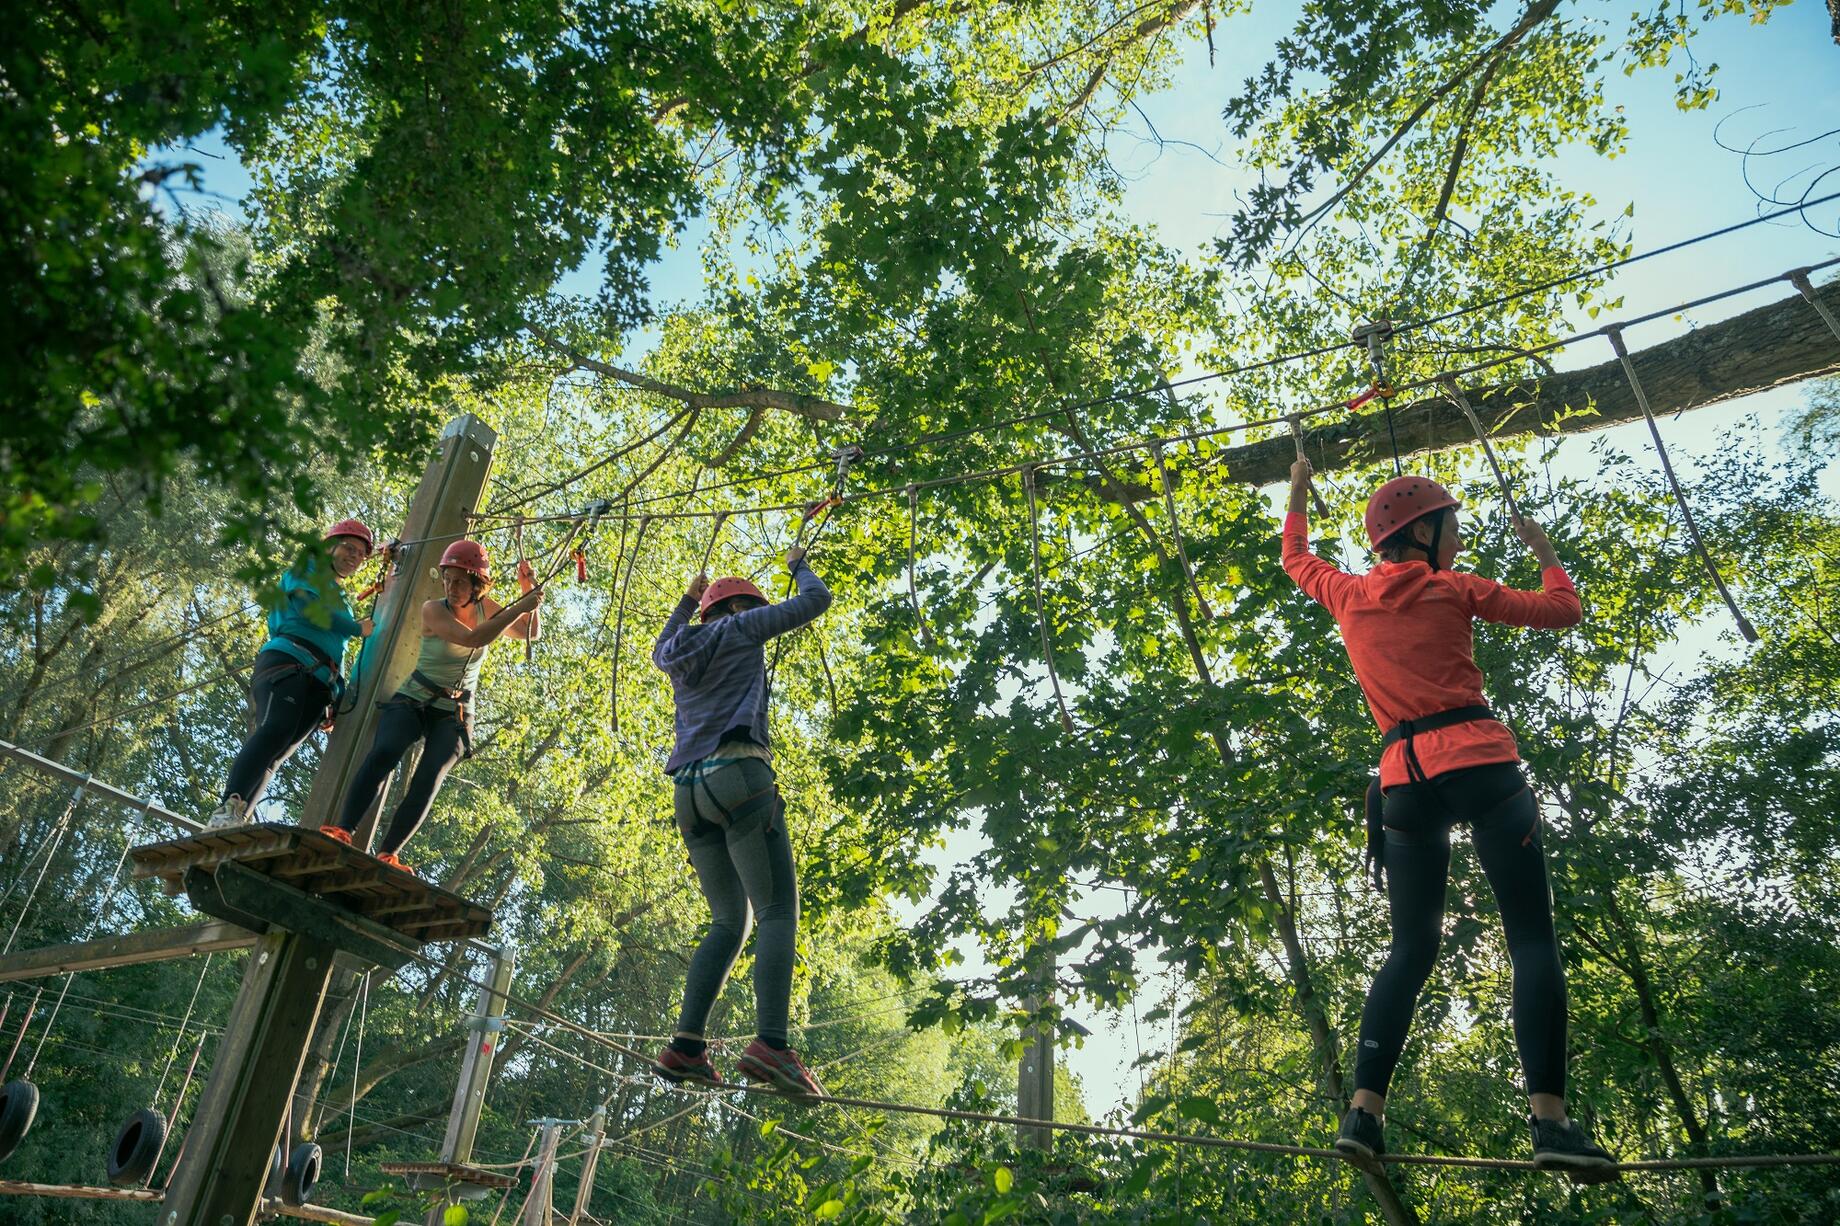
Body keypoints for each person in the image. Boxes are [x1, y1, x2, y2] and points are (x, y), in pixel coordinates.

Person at [1281, 460, 1616, 1175]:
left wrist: (1300, 486)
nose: (1458, 539)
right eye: (1452, 527)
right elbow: (1564, 610)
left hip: (1405, 784)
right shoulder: (1454, 589)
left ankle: (1363, 1115)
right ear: (1424, 531)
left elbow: (1295, 558)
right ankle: (1550, 1123)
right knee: (1530, 939)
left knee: (1410, 948)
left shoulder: (1346, 595)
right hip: (1481, 768)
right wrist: (1548, 557)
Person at [650, 546, 832, 1097]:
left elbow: (660, 648)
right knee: (777, 910)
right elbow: (815, 600)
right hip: (738, 778)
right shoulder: (742, 628)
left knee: (731, 921)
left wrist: (684, 600)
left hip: (689, 793)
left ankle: (686, 1047)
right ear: (741, 608)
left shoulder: (679, 647)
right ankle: (772, 1045)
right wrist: (799, 562)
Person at [320, 539, 542, 872]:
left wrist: (530, 595)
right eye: (448, 579)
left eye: (460, 581)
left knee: (430, 777)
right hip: (415, 698)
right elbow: (472, 638)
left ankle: (389, 852)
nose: (452, 587)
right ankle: (343, 829)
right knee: (386, 751)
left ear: (476, 584)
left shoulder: (488, 608)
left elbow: (530, 632)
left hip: (455, 711)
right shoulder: (433, 609)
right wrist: (519, 607)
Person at [208, 519, 378, 829]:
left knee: (280, 753)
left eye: (360, 555)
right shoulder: (305, 571)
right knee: (276, 728)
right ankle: (227, 805)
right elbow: (305, 607)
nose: (354, 557)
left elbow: (334, 648)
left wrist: (337, 696)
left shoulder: (341, 599)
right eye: (348, 549)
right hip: (288, 661)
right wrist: (356, 629)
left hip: (320, 679)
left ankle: (236, 818)